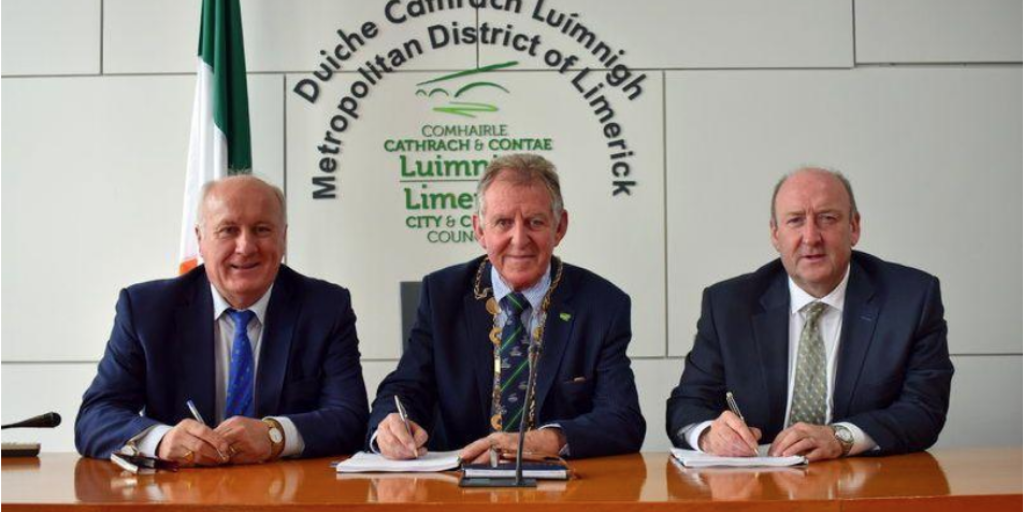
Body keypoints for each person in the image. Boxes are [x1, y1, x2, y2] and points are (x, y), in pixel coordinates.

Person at [368, 153, 645, 462]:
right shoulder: (442, 295)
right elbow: (406, 388)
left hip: (562, 491)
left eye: (535, 222)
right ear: (479, 230)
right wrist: (391, 426)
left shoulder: (601, 304)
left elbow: (624, 420)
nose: (519, 239)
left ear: (560, 227)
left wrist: (549, 440)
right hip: (457, 486)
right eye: (503, 223)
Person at [75, 175, 369, 465]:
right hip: (178, 497)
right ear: (200, 239)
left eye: (262, 229)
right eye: (228, 230)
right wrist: (161, 441)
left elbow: (350, 417)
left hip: (287, 496)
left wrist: (275, 435)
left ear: (283, 237)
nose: (246, 247)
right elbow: (96, 417)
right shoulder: (146, 309)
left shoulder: (325, 307)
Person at [666, 167, 953, 461]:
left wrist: (841, 436)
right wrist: (708, 435)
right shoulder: (729, 304)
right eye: (795, 221)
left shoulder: (910, 299)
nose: (811, 237)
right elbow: (687, 405)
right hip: (758, 490)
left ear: (854, 227)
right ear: (775, 234)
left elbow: (924, 410)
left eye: (827, 218)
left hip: (863, 487)